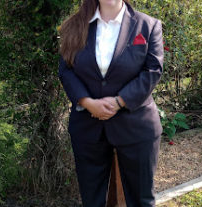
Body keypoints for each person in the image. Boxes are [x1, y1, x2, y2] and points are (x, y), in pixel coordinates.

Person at [58, 0, 164, 206]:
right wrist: (88, 102)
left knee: (141, 200)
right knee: (92, 200)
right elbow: (66, 70)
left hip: (136, 126)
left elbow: (153, 71)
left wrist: (119, 101)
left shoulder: (148, 25)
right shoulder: (73, 25)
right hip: (88, 126)